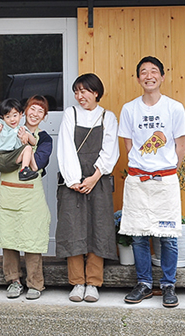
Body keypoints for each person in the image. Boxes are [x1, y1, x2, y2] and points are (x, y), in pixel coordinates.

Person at [118, 56, 185, 308]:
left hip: (165, 179)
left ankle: (169, 284)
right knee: (139, 235)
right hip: (137, 179)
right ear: (138, 78)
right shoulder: (130, 109)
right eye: (144, 72)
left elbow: (181, 145)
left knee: (168, 235)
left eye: (154, 71)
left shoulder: (174, 108)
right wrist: (141, 166)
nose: (149, 75)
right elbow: (128, 144)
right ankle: (144, 283)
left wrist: (169, 169)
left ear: (162, 76)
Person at [55, 73, 119, 303]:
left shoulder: (108, 117)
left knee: (98, 227)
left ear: (96, 93)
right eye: (76, 91)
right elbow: (65, 146)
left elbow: (110, 150)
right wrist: (73, 178)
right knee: (72, 227)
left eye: (84, 91)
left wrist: (94, 176)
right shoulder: (70, 114)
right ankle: (76, 282)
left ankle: (93, 283)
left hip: (98, 180)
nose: (79, 96)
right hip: (71, 180)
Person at [0, 96, 53, 300]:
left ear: (44, 116)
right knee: (8, 236)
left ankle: (35, 284)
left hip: (31, 193)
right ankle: (13, 281)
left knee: (33, 238)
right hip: (8, 190)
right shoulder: (8, 131)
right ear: (23, 112)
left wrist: (27, 143)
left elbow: (37, 164)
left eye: (41, 111)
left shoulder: (45, 138)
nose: (35, 114)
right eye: (32, 109)